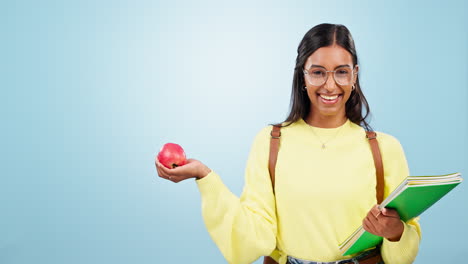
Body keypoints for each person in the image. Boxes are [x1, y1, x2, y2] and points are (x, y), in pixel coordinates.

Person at [155, 23, 421, 264]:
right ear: (302, 76)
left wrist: (396, 233)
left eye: (341, 72)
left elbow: (404, 252)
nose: (330, 85)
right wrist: (205, 176)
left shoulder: (385, 149)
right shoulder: (271, 142)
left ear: (354, 75)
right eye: (318, 72)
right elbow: (255, 237)